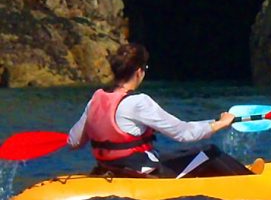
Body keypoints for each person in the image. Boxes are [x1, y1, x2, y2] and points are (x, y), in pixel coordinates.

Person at [68, 43, 255, 178]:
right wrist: (221, 124)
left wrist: (211, 124)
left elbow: (74, 141)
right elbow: (184, 133)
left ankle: (243, 173)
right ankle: (251, 181)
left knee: (182, 154)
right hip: (139, 173)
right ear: (139, 71)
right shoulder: (138, 102)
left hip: (107, 168)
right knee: (209, 152)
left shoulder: (96, 98)